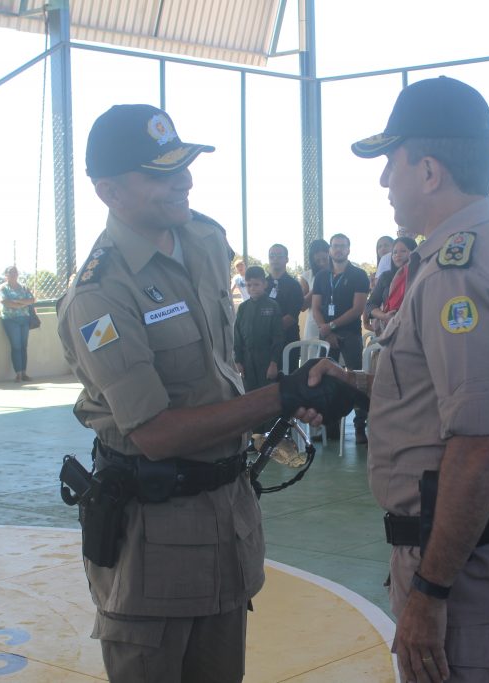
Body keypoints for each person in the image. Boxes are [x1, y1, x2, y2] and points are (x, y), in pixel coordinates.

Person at [55, 103, 348, 683]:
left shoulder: (205, 240)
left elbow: (216, 374)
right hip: (153, 541)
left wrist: (283, 401)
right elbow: (155, 433)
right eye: (160, 173)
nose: (183, 181)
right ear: (109, 191)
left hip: (226, 517)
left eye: (183, 165)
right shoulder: (99, 294)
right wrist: (279, 397)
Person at [310, 76, 489, 682]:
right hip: (473, 544)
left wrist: (429, 591)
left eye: (391, 163)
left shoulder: (454, 273)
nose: (383, 181)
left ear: (428, 171)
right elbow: (439, 396)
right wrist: (350, 380)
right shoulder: (482, 246)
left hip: (460, 564)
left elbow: (476, 446)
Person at [311, 233, 370, 443]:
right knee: (325, 381)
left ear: (348, 249)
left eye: (342, 246)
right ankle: (330, 427)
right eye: (335, 246)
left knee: (356, 380)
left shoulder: (359, 275)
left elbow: (358, 309)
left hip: (350, 335)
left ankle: (360, 428)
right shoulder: (321, 276)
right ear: (330, 249)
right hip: (326, 336)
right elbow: (315, 307)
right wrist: (326, 330)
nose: (338, 249)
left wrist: (332, 326)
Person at [234, 266, 284, 393]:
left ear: (265, 284)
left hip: (267, 360)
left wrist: (274, 363)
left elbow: (278, 337)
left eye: (256, 284)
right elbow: (237, 336)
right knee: (249, 396)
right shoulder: (243, 308)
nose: (252, 288)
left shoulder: (273, 306)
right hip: (247, 361)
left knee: (267, 395)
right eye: (248, 285)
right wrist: (238, 361)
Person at [366, 236, 417, 335]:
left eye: (403, 251)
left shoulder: (420, 274)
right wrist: (384, 316)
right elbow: (370, 304)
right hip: (390, 329)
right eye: (395, 252)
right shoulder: (386, 277)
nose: (398, 255)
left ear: (413, 252)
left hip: (415, 329)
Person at [266, 243, 304, 369]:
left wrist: (269, 331)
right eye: (272, 256)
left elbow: (292, 316)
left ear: (286, 259)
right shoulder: (262, 284)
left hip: (288, 342)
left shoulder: (294, 285)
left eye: (279, 256)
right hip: (265, 344)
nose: (275, 259)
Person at [0, 266, 36, 382]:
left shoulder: (23, 287)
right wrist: (22, 304)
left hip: (24, 318)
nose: (14, 274)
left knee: (24, 345)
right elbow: (4, 301)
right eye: (11, 272)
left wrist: (17, 302)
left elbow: (31, 300)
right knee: (16, 346)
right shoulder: (2, 288)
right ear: (6, 275)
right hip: (10, 319)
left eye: (15, 272)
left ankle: (24, 372)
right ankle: (18, 373)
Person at [300, 239, 330, 344]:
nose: (322, 263)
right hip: (313, 325)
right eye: (318, 260)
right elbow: (302, 306)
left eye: (325, 259)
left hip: (335, 323)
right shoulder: (307, 275)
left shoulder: (339, 273)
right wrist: (318, 286)